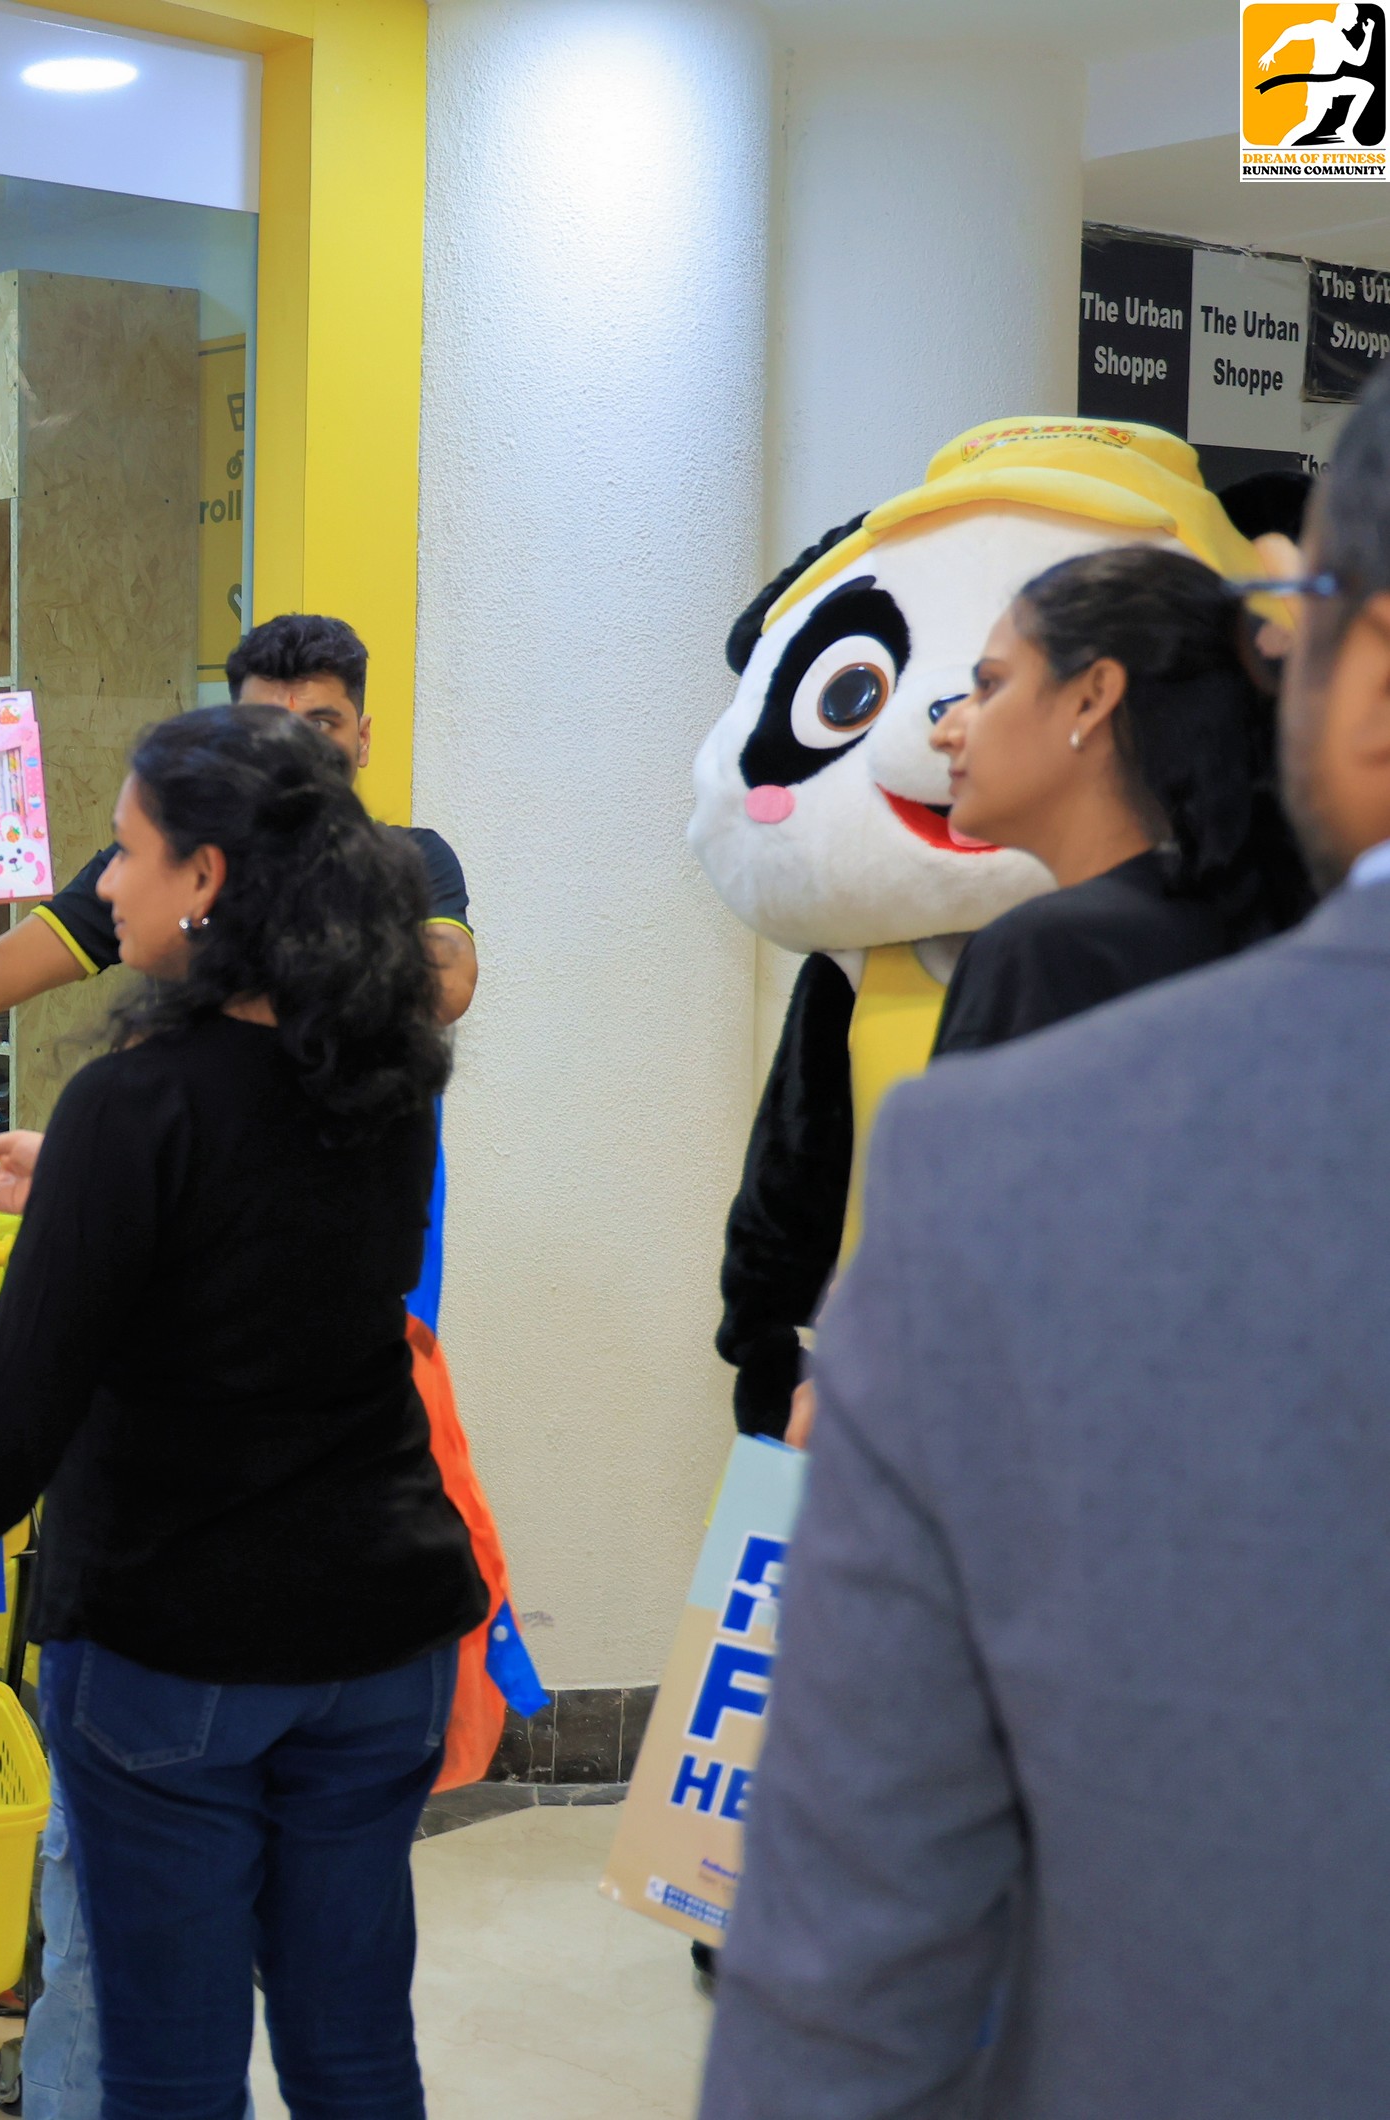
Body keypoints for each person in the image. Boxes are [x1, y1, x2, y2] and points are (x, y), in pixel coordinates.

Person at [695, 376, 1390, 2117]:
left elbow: (874, 1877)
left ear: (1096, 702)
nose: (947, 722)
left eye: (992, 681)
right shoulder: (1241, 935)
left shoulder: (1050, 973)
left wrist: (835, 1380)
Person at [0, 705, 487, 2120]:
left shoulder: (135, 1106)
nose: (107, 883)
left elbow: (5, 1432)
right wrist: (85, 1183)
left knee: (171, 2074)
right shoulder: (385, 1082)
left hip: (178, 1649)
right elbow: (272, 1255)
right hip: (380, 1637)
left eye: (128, 851)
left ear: (207, 878)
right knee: (355, 2053)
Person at [0, 612, 479, 1026]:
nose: (294, 752)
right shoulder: (160, 861)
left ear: (363, 738)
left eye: (321, 725)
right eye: (266, 727)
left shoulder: (414, 860)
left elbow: (446, 988)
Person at [926, 545, 1314, 1058]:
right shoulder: (1275, 923)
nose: (944, 733)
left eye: (989, 685)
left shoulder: (1043, 951)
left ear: (1091, 699)